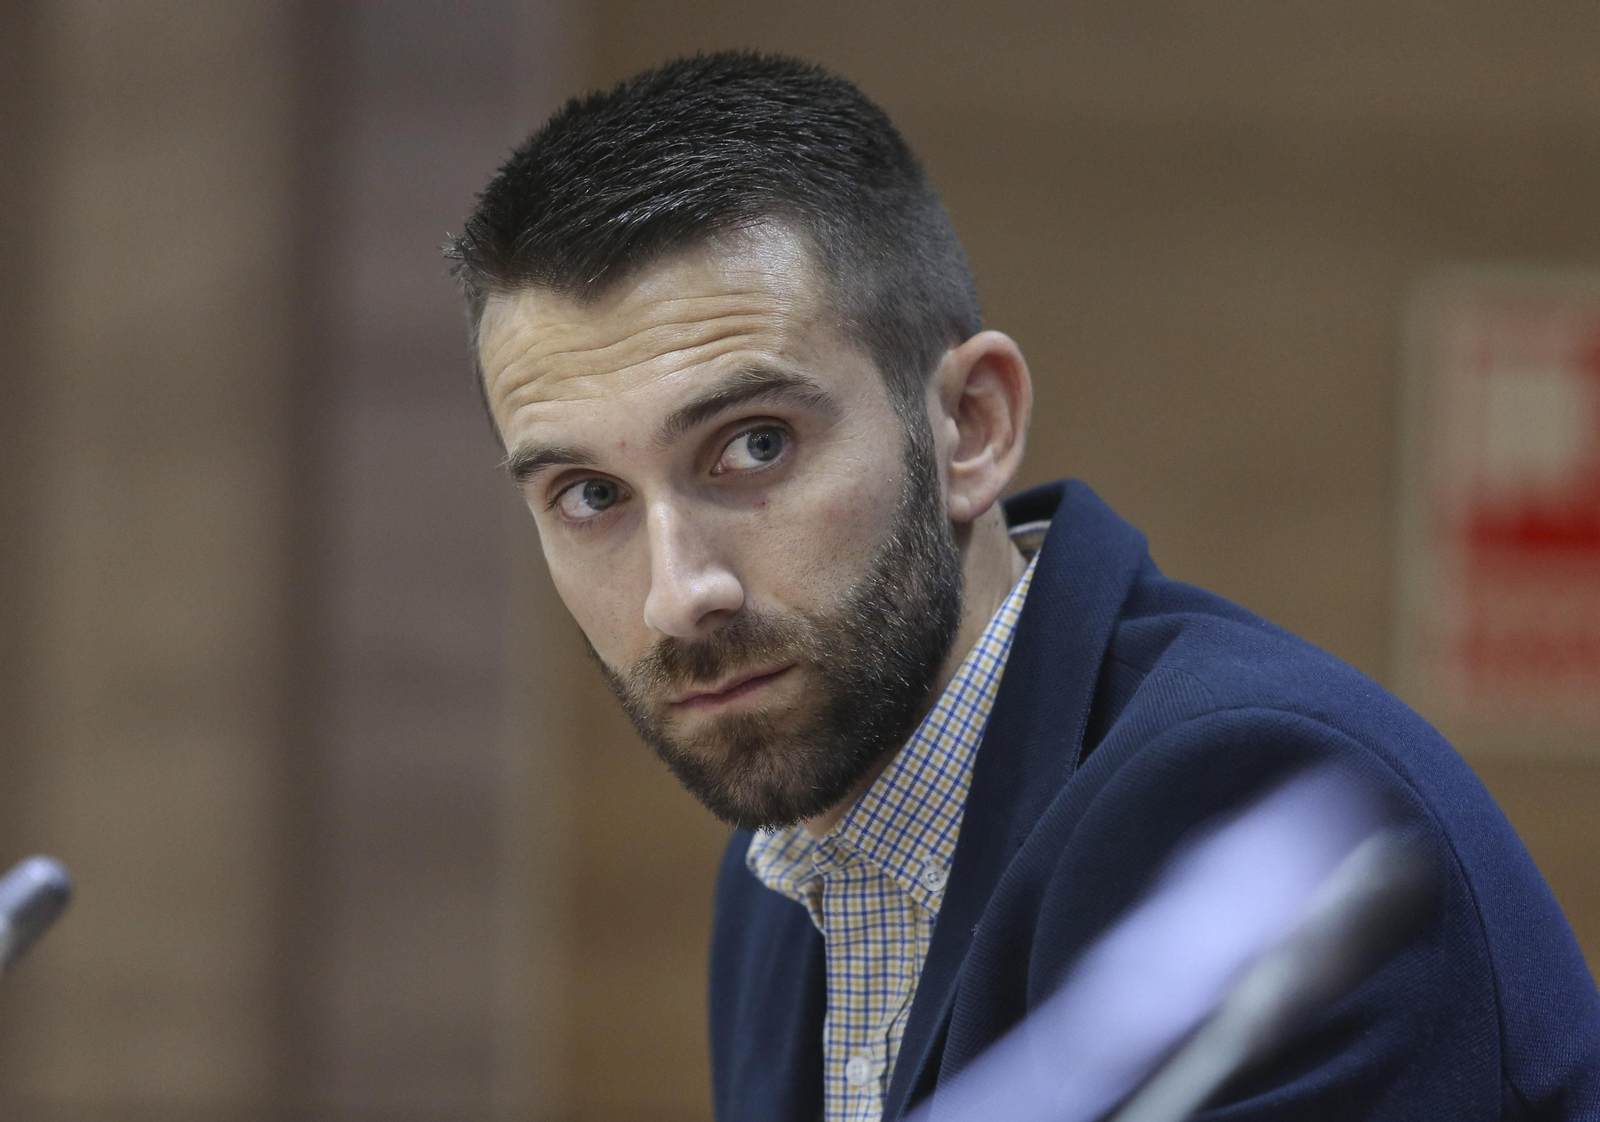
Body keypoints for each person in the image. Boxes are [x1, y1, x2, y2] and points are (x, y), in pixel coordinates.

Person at [448, 51, 1600, 1122]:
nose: (676, 596)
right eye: (590, 497)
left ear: (969, 425)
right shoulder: (781, 876)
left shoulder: (1241, 805)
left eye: (753, 447)